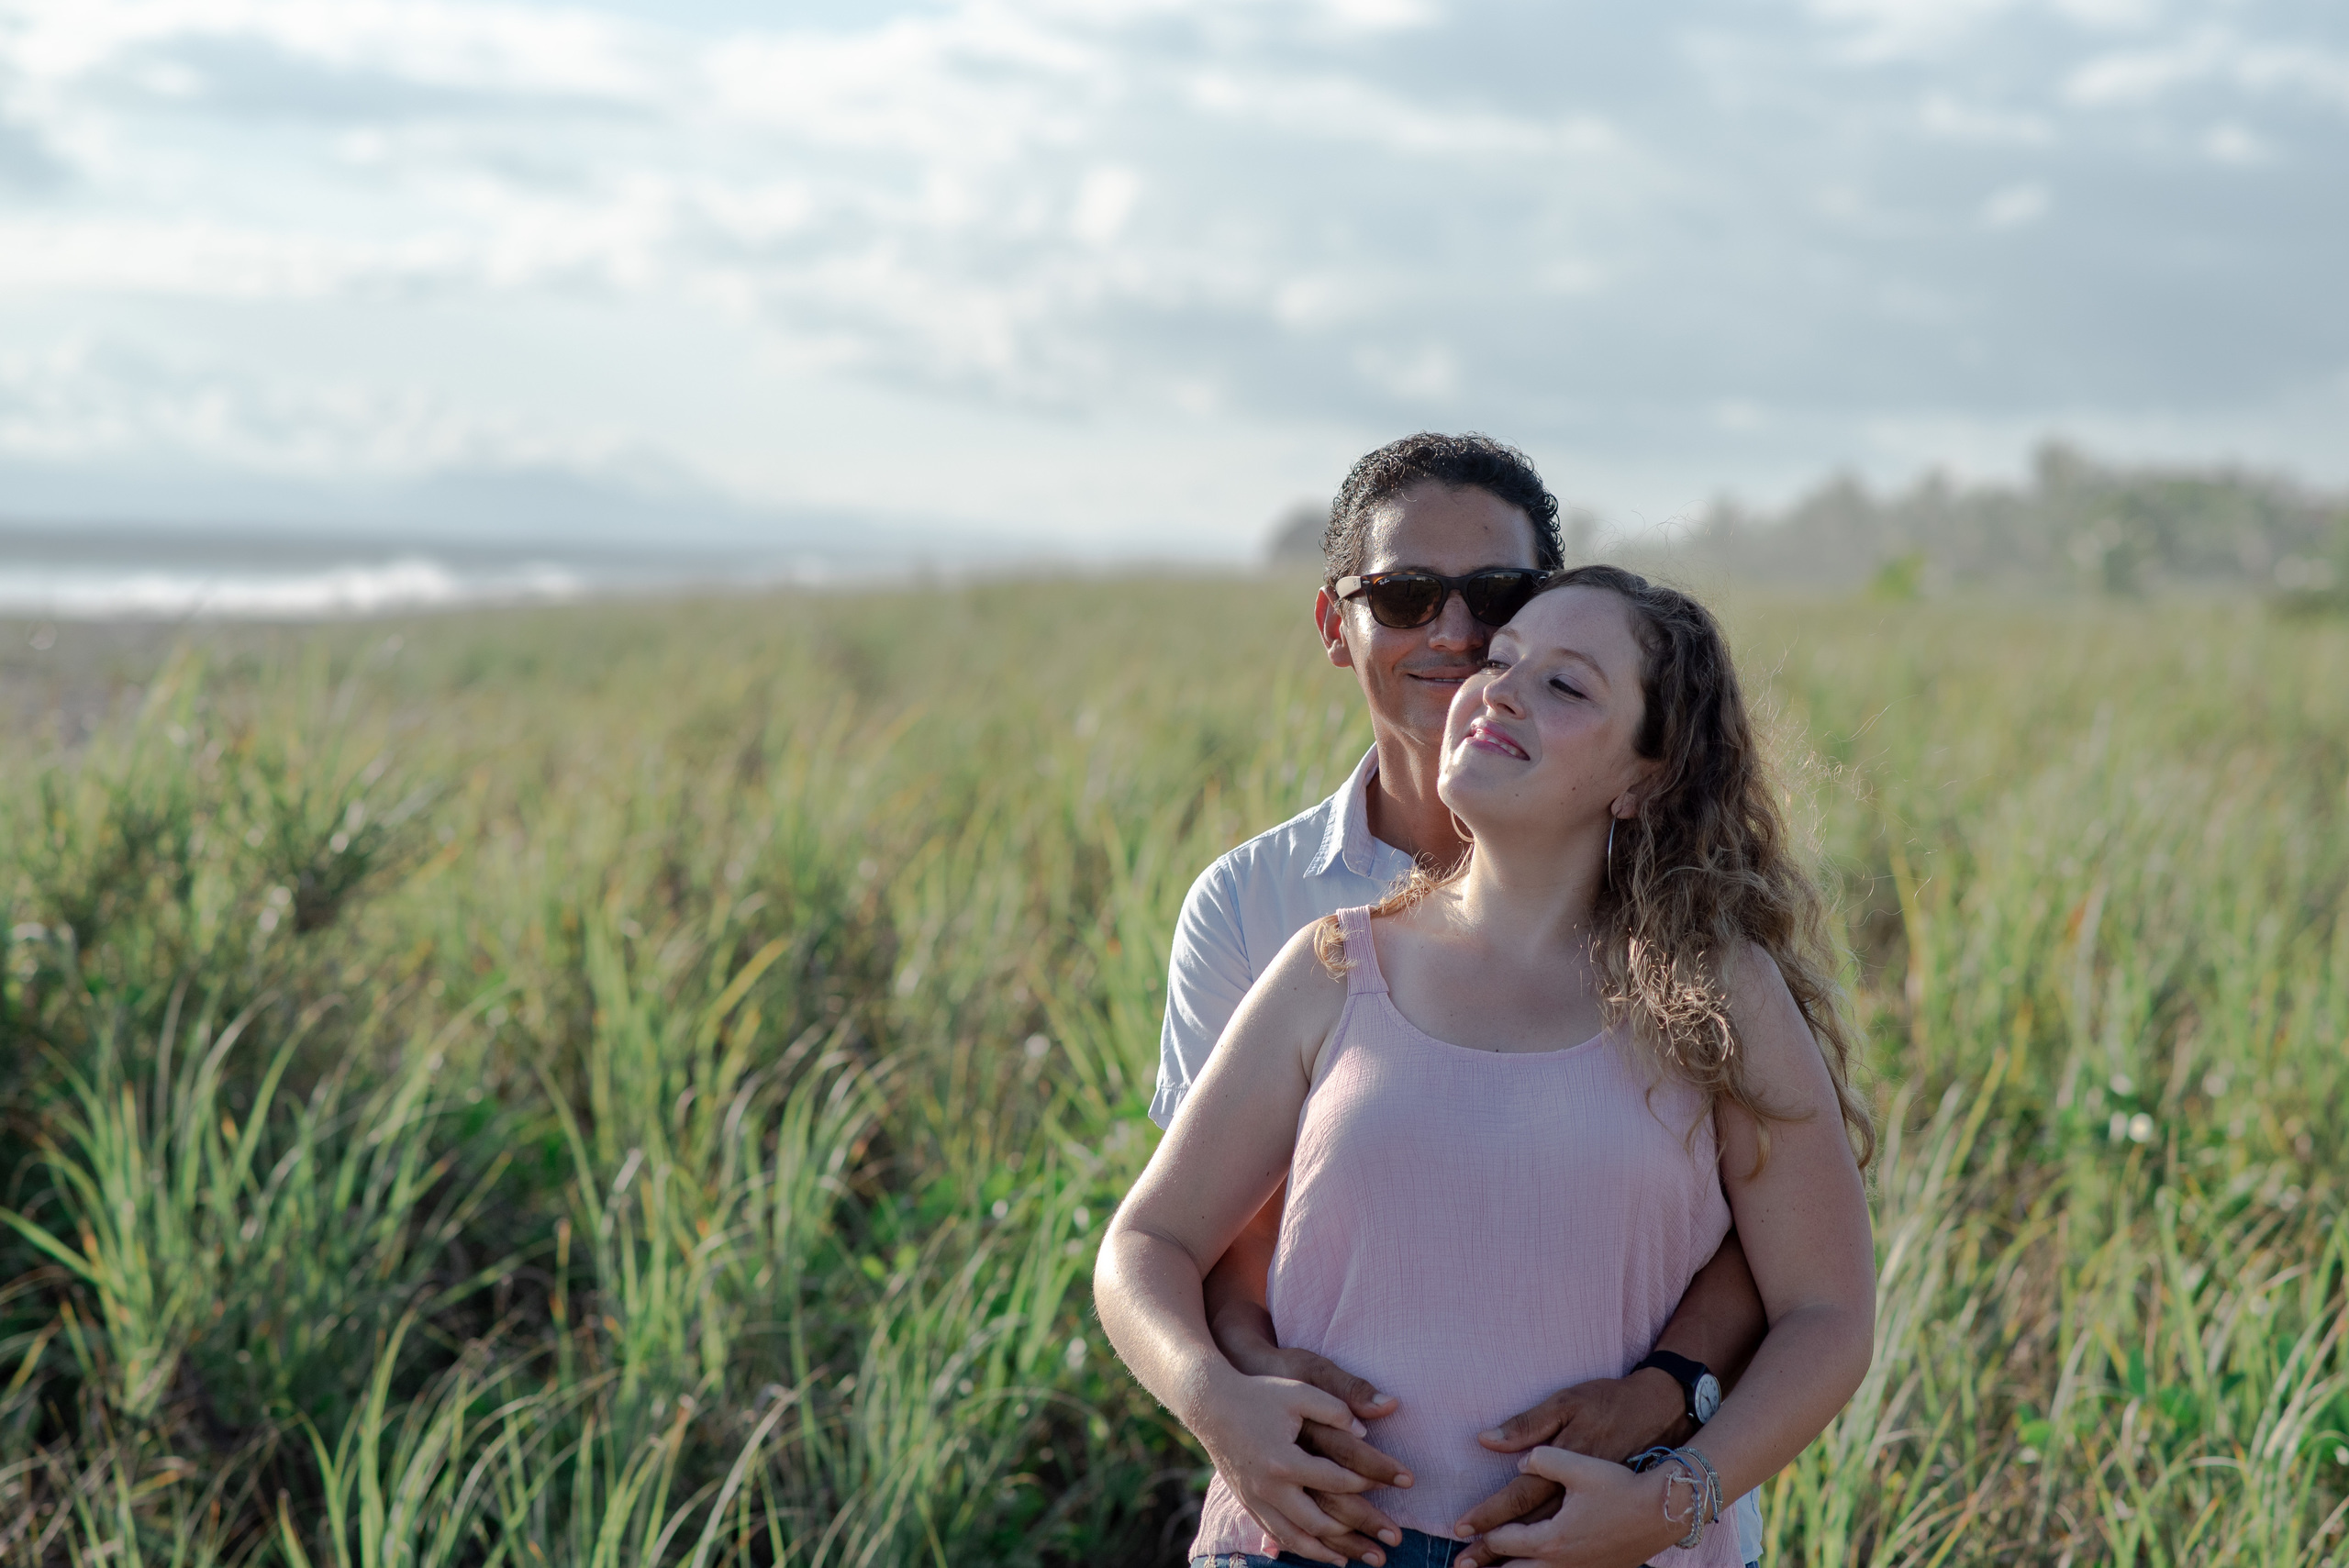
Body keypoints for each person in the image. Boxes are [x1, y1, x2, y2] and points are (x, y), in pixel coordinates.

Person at [1101, 564, 1877, 1568]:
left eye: (1566, 685)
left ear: (1645, 776)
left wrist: (1675, 1499)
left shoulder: (1718, 992)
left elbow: (1827, 1315)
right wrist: (1217, 1403)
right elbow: (1146, 1241)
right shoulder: (1335, 965)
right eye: (1502, 661)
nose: (1498, 687)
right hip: (1308, 1544)